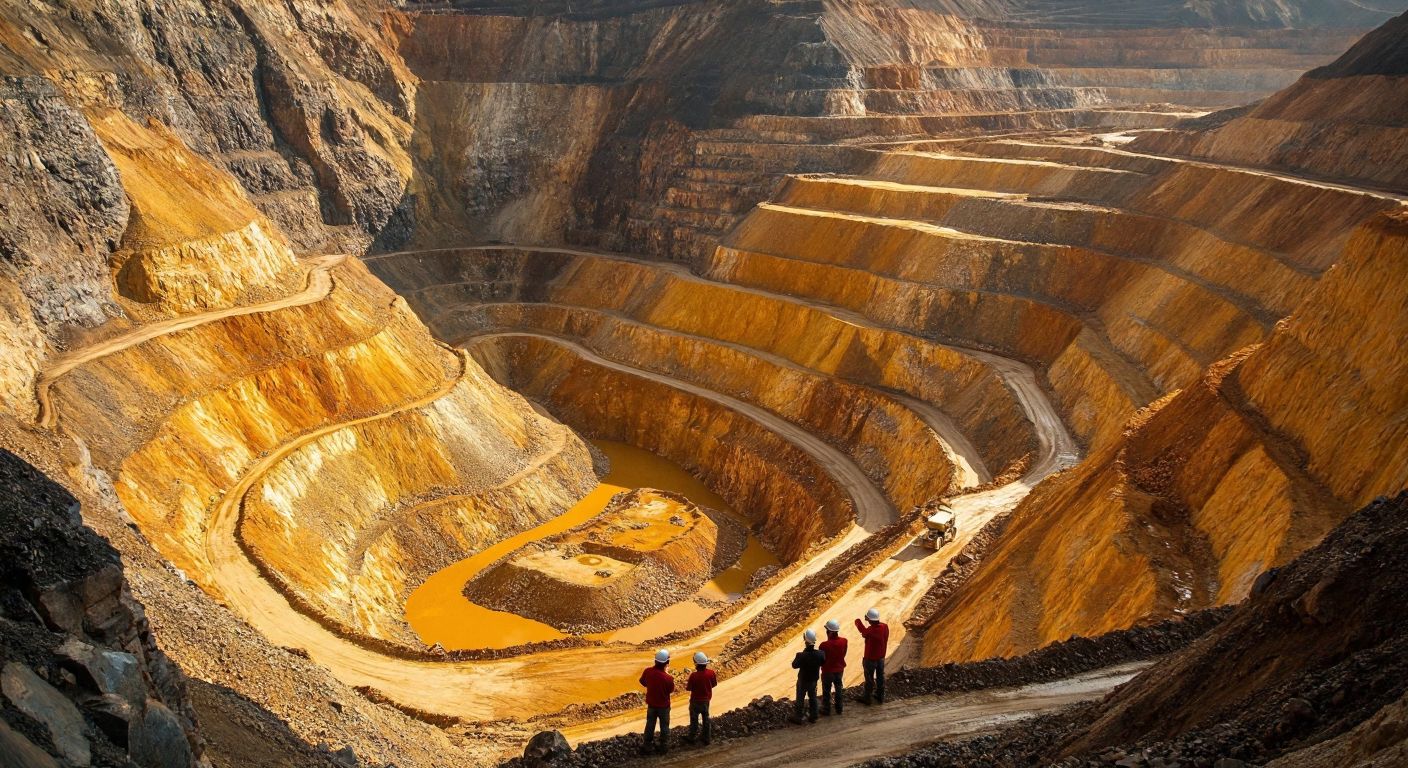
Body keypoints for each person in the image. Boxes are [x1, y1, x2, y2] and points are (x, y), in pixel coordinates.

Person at [639, 649, 675, 754]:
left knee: (650, 724)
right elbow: (670, 690)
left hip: (651, 705)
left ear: (655, 661)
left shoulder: (648, 671)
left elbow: (642, 682)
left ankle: (647, 745)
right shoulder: (668, 678)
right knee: (664, 726)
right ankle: (664, 747)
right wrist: (666, 674)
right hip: (664, 707)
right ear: (667, 663)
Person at [790, 629, 826, 724]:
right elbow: (823, 662)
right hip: (813, 680)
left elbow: (794, 665)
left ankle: (798, 717)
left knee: (800, 699)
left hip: (803, 680)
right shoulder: (820, 654)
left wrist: (803, 652)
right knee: (813, 697)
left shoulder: (801, 655)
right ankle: (814, 716)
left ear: (805, 641)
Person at [855, 608, 890, 704]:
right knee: (880, 677)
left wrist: (858, 622)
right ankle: (880, 696)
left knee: (869, 679)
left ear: (870, 620)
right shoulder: (885, 626)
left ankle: (867, 698)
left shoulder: (870, 630)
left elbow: (864, 632)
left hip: (870, 659)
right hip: (881, 658)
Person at [684, 651, 717, 745]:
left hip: (695, 701)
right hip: (706, 700)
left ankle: (691, 737)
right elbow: (714, 684)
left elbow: (689, 688)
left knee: (694, 721)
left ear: (696, 664)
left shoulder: (693, 676)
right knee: (706, 719)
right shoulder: (711, 673)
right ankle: (707, 738)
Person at [818, 619, 848, 716]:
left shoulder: (824, 645)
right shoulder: (844, 641)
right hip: (839, 669)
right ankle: (839, 708)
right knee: (838, 688)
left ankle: (826, 709)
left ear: (829, 632)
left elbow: (821, 659)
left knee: (826, 691)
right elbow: (844, 653)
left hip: (827, 671)